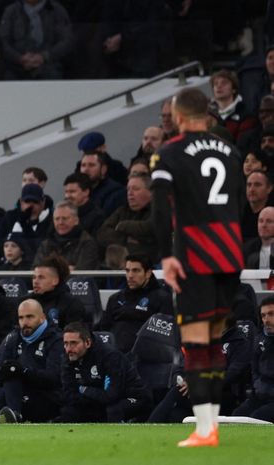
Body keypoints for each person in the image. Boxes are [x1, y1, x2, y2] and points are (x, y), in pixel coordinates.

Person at [150, 87, 244, 447]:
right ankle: (211, 425)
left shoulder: (170, 153)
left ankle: (206, 430)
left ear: (178, 115)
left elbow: (160, 210)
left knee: (194, 342)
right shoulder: (232, 151)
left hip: (195, 257)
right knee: (215, 340)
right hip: (230, 256)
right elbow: (239, 204)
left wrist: (166, 254)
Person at [59, 322, 152, 423]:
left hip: (133, 397)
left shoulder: (109, 356)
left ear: (87, 343)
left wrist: (83, 389)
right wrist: (88, 394)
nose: (68, 349)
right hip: (99, 400)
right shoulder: (70, 357)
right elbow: (68, 394)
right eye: (66, 343)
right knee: (69, 412)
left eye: (73, 343)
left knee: (113, 410)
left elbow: (111, 395)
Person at [0, 299, 63, 423]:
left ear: (42, 317)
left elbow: (54, 378)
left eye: (30, 317)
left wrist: (23, 372)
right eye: (21, 318)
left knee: (13, 375)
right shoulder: (14, 338)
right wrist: (0, 373)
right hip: (18, 394)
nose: (25, 322)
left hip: (47, 396)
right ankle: (13, 416)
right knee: (8, 378)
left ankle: (13, 416)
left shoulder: (56, 340)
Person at [99, 255, 173, 353]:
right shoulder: (115, 298)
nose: (130, 275)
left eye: (136, 271)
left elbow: (164, 336)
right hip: (114, 355)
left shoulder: (162, 299)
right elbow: (104, 329)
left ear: (148, 273)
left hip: (145, 356)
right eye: (127, 270)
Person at [0, 0, 73, 79]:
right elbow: (2, 42)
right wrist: (19, 58)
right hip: (17, 66)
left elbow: (66, 41)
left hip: (49, 65)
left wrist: (44, 57)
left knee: (53, 74)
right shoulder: (11, 11)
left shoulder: (56, 10)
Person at [96, 173, 158, 261]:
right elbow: (102, 233)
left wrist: (123, 226)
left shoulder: (159, 211)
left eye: (136, 189)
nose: (130, 193)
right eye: (128, 189)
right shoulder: (122, 210)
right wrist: (126, 240)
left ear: (151, 192)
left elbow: (150, 230)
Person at [232, 297, 274, 422]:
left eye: (271, 314)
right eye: (263, 315)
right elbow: (254, 369)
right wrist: (257, 386)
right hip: (260, 395)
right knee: (236, 417)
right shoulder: (259, 339)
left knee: (256, 419)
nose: (266, 320)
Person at [33, 200, 101, 271]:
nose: (60, 222)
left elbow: (83, 272)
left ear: (76, 220)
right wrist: (66, 270)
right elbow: (36, 270)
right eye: (57, 219)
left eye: (64, 218)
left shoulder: (87, 243)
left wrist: (51, 271)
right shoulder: (46, 244)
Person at [0, 183, 52, 260]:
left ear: (43, 202)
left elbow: (40, 249)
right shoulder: (10, 218)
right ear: (21, 202)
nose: (31, 206)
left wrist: (25, 225)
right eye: (27, 201)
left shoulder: (51, 221)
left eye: (35, 202)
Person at [28, 255, 86, 328]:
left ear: (55, 281)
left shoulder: (72, 304)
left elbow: (72, 335)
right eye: (34, 277)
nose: (35, 282)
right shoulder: (26, 301)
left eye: (41, 277)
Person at [79, 151, 126, 218]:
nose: (86, 169)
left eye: (91, 165)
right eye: (83, 165)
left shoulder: (116, 192)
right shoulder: (78, 191)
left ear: (103, 169)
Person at [241, 170, 273, 243]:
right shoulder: (239, 212)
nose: (251, 189)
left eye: (257, 185)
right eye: (249, 185)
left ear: (269, 188)